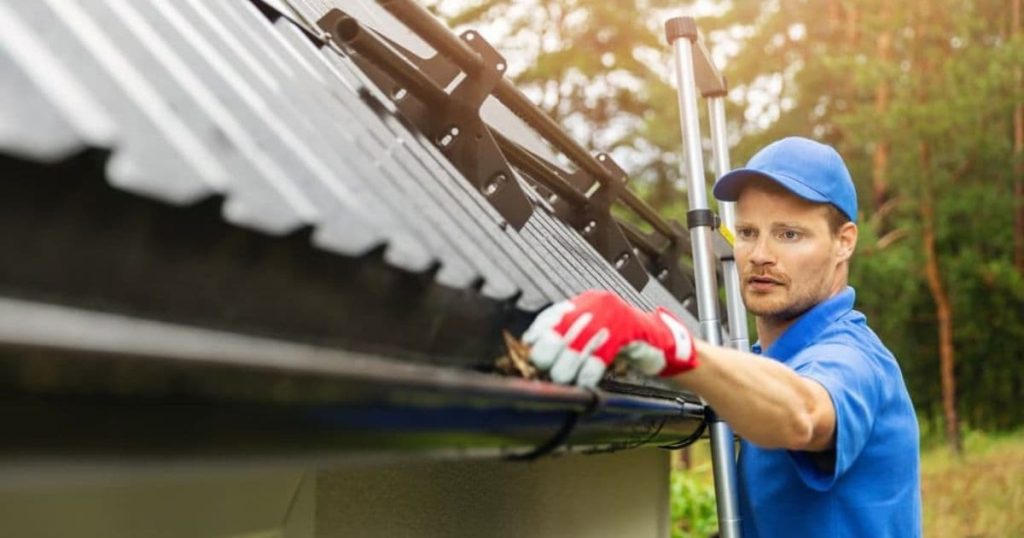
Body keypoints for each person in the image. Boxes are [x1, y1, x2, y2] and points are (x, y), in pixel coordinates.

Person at [523, 137, 922, 537]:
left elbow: (804, 415)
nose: (760, 254)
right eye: (747, 232)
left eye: (789, 235)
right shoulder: (767, 364)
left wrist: (672, 347)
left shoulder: (853, 358)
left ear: (844, 242)